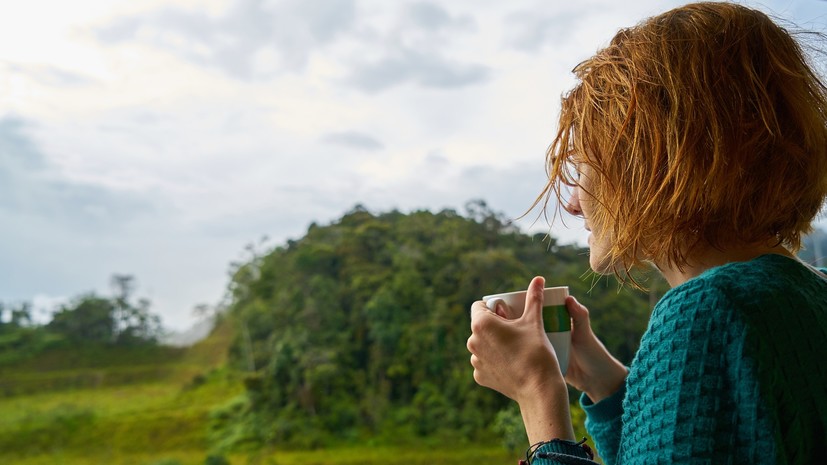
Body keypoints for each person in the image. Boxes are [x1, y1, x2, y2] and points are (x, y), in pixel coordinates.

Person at [466, 2, 827, 464]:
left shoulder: (706, 312)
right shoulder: (808, 295)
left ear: (650, 162)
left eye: (581, 168)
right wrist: (603, 381)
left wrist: (538, 396)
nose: (573, 202)